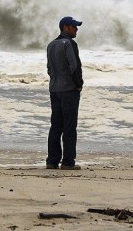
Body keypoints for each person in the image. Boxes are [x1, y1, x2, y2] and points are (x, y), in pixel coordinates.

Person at [45, 16, 84, 170]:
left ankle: (52, 161)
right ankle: (68, 162)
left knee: (55, 126)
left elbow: (49, 68)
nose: (76, 29)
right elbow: (74, 66)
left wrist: (55, 81)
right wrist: (78, 84)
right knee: (69, 126)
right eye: (74, 27)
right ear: (65, 27)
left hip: (54, 89)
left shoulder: (51, 45)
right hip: (69, 90)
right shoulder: (69, 43)